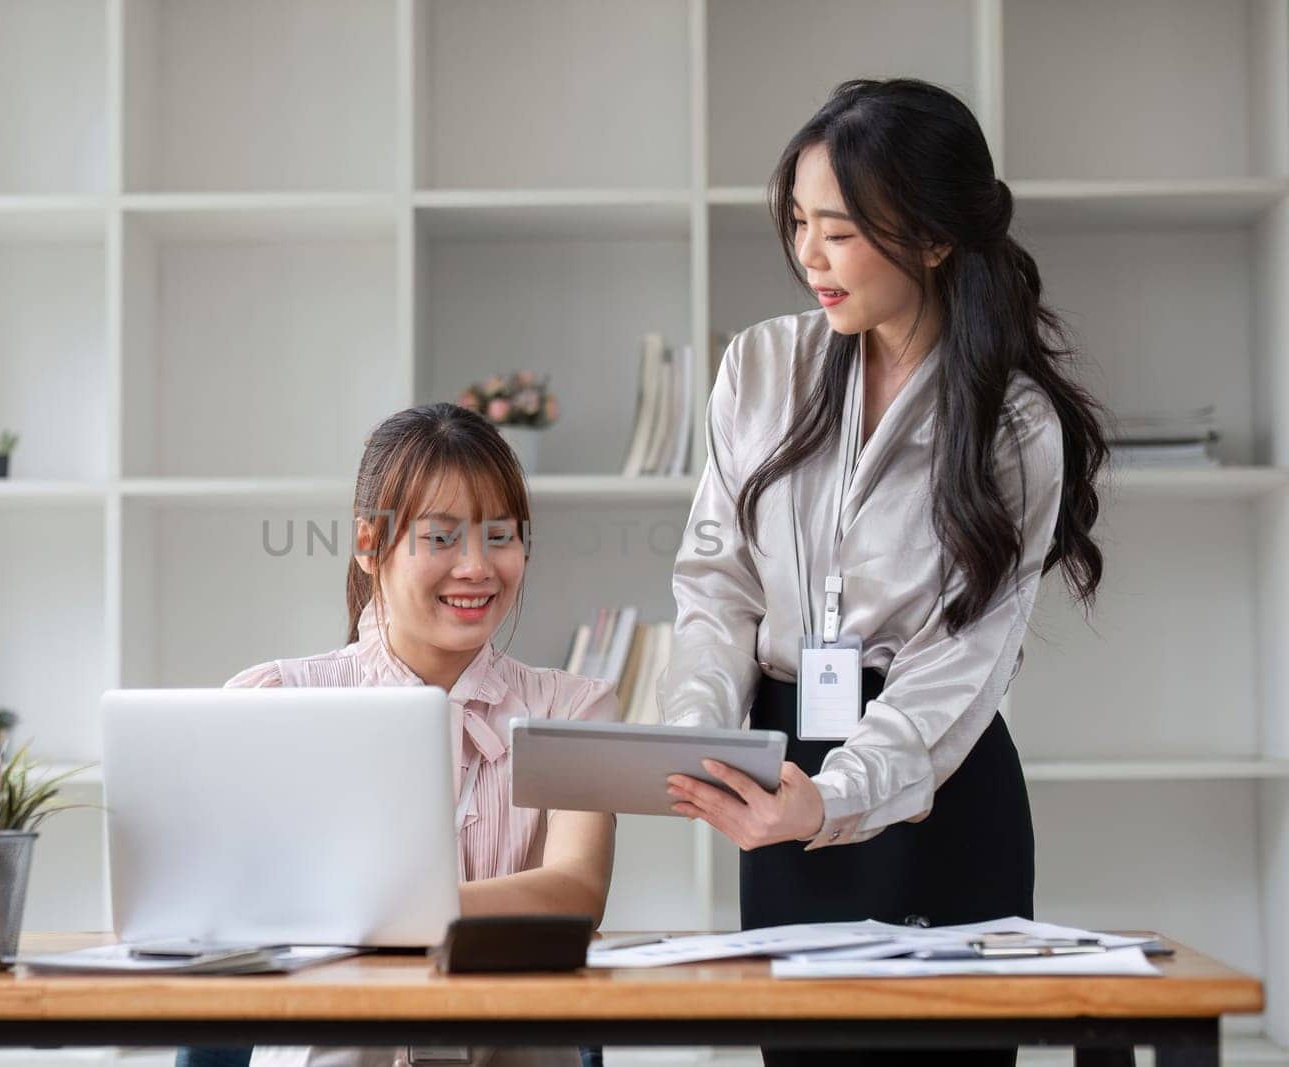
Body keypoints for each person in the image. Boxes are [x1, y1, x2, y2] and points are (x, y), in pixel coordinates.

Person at [655, 78, 1109, 1066]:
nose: (806, 256)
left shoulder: (1013, 420)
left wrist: (840, 794)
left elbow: (965, 659)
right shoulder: (761, 368)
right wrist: (698, 735)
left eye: (840, 230)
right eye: (797, 222)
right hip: (782, 768)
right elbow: (716, 586)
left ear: (934, 238)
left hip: (937, 782)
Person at [179, 402, 618, 1067]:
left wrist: (367, 915)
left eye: (500, 534)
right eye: (441, 537)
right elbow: (228, 909)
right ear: (369, 545)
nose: (477, 566)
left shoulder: (575, 709)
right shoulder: (274, 702)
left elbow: (575, 894)